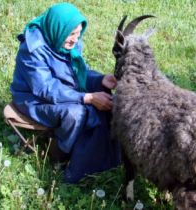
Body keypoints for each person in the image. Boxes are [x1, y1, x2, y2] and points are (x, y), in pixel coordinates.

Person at [10, 2, 121, 183]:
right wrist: (87, 98)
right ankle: (58, 156)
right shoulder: (32, 50)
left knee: (103, 91)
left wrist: (99, 79)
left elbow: (76, 72)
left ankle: (98, 154)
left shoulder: (64, 40)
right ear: (58, 29)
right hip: (32, 99)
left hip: (58, 90)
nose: (75, 40)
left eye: (78, 34)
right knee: (75, 113)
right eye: (71, 34)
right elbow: (45, 88)